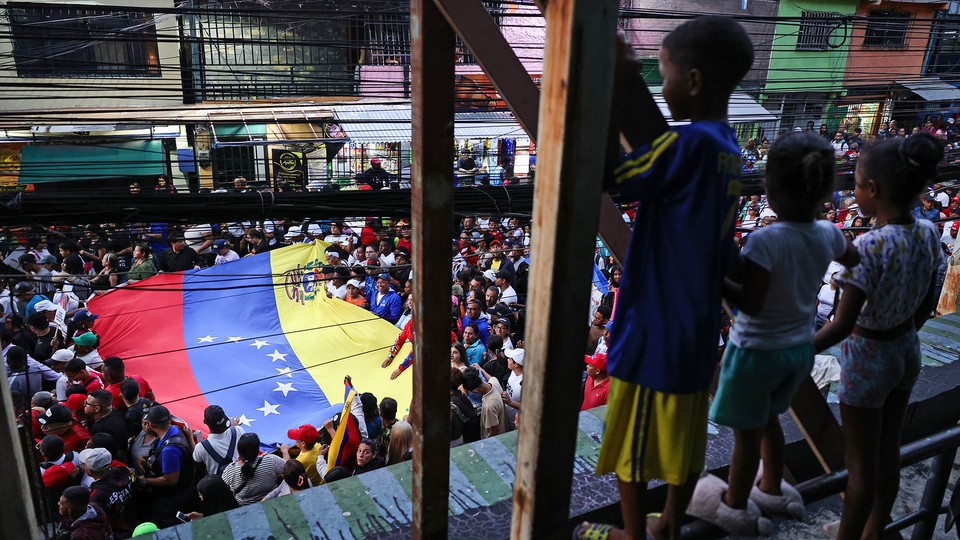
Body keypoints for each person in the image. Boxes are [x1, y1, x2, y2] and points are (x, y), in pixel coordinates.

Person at [581, 17, 755, 540]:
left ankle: (636, 534)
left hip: (654, 326)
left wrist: (612, 88)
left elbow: (613, 175)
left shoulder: (687, 146)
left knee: (633, 448)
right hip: (696, 326)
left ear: (694, 82)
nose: (663, 86)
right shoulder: (728, 149)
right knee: (684, 439)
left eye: (665, 75)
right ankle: (672, 523)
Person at [699, 133, 859, 535]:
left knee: (745, 434)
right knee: (766, 417)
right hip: (796, 351)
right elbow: (855, 258)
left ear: (769, 189)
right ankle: (770, 484)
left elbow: (749, 302)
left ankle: (734, 503)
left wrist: (715, 277)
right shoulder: (828, 233)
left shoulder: (766, 239)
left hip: (756, 351)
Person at [813, 133, 944, 540]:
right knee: (888, 454)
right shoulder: (927, 233)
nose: (853, 193)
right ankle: (873, 531)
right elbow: (926, 301)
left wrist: (793, 350)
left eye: (854, 184)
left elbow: (840, 324)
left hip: (868, 358)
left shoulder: (869, 247)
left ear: (873, 190)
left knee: (859, 467)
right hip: (907, 349)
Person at [135, 405, 196, 527]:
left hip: (172, 498)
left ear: (153, 425)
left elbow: (170, 479)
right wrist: (147, 459)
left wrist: (145, 481)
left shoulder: (170, 451)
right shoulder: (174, 430)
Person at [221, 432, 285, 505]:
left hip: (244, 509)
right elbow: (289, 468)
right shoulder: (271, 460)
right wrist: (285, 451)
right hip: (272, 502)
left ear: (238, 450)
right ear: (257, 449)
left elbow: (222, 490)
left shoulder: (230, 470)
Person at [192, 405, 243, 476]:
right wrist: (234, 427)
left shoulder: (200, 448)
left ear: (205, 422)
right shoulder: (238, 430)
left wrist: (190, 437)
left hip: (217, 485)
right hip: (239, 479)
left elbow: (197, 467)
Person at [462, 367, 506, 439]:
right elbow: (492, 378)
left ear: (475, 390)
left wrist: (487, 443)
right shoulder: (494, 382)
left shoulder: (489, 406)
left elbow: (495, 430)